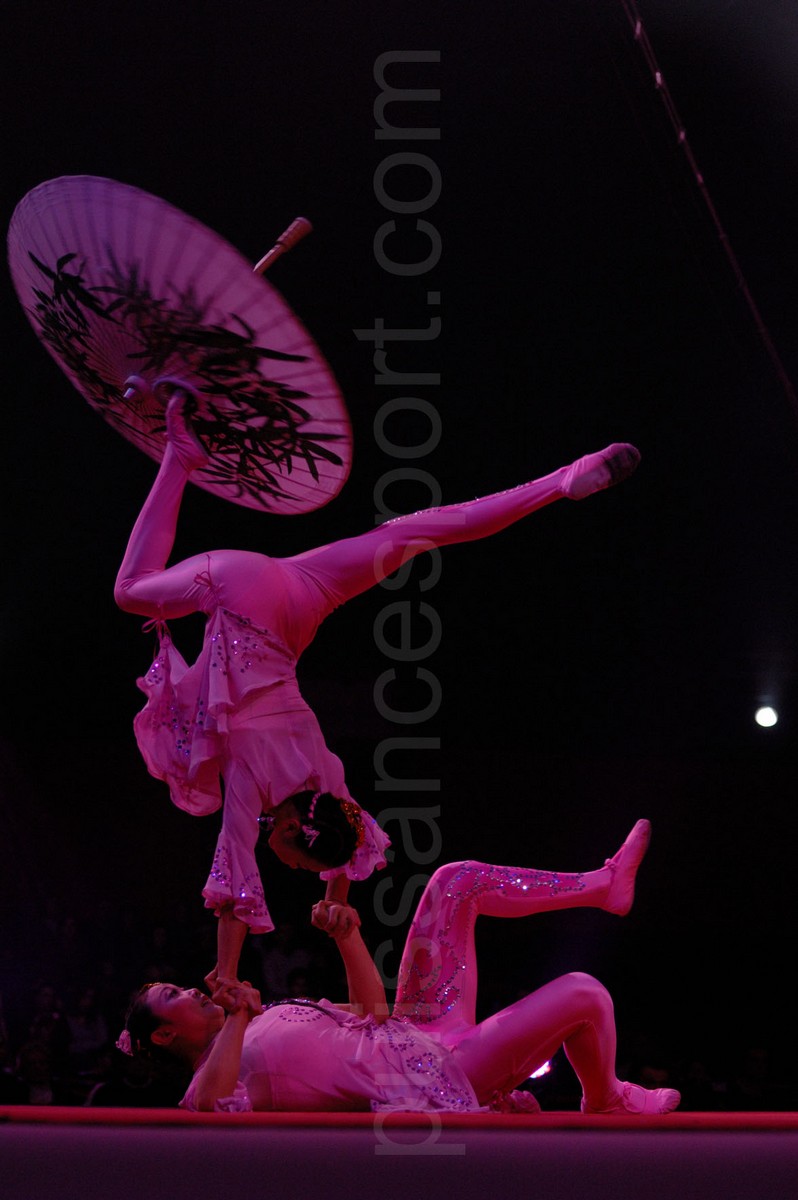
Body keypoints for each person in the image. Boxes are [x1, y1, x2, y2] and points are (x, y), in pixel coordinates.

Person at [114, 386, 641, 990]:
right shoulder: (255, 786)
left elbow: (357, 834)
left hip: (300, 596)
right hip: (243, 595)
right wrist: (226, 971)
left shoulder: (324, 781)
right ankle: (180, 455)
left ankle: (560, 481)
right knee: (131, 591)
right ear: (288, 832)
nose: (289, 867)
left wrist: (337, 895)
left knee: (418, 532)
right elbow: (234, 880)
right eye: (295, 862)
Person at [118, 818, 680, 1116]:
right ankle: (605, 1097)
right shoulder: (209, 1083)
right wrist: (240, 1015)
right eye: (173, 995)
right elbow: (215, 1107)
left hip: (419, 1028)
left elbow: (375, 1012)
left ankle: (603, 885)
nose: (191, 990)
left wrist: (347, 934)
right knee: (585, 991)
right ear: (164, 1034)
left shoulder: (273, 1014)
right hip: (437, 1075)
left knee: (454, 881)